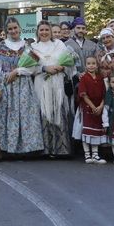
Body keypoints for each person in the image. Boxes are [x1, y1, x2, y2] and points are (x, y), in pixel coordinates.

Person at [0, 18, 42, 155]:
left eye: (15, 28)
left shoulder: (27, 45)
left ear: (19, 28)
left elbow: (33, 68)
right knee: (6, 115)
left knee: (25, 115)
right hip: (6, 84)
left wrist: (17, 71)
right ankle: (8, 148)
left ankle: (27, 148)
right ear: (6, 31)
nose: (13, 31)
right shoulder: (2, 45)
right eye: (10, 29)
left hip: (24, 85)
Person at [30, 21, 73, 157]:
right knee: (44, 113)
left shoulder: (59, 45)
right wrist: (44, 68)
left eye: (46, 30)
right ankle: (45, 149)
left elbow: (69, 62)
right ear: (37, 32)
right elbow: (29, 67)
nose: (44, 32)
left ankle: (61, 149)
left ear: (51, 31)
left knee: (58, 112)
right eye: (41, 30)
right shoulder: (33, 47)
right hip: (41, 84)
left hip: (57, 82)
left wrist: (62, 67)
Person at [77, 55, 107, 164]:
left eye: (93, 63)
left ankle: (95, 154)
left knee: (96, 131)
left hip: (99, 107)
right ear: (85, 65)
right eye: (89, 63)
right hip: (88, 107)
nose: (91, 66)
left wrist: (100, 106)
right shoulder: (84, 78)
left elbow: (105, 94)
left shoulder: (100, 78)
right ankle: (87, 154)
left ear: (97, 65)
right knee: (87, 130)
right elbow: (83, 95)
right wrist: (93, 107)